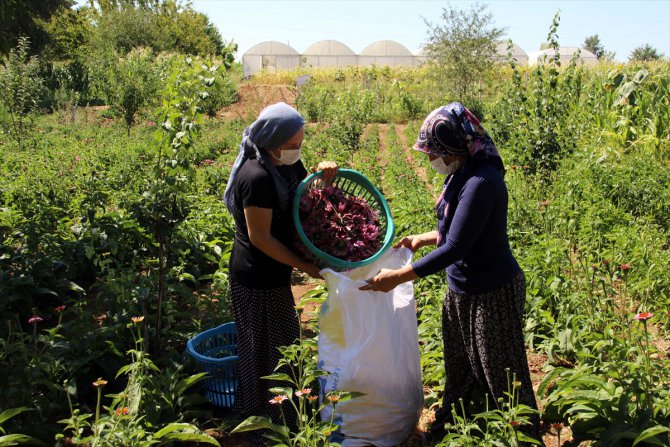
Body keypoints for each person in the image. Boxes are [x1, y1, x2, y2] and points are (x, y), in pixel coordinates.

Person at [359, 102, 542, 443]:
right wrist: (422, 238)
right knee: (459, 369)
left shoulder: (481, 181)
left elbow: (457, 247)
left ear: (454, 146)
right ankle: (447, 428)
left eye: (434, 153)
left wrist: (397, 277)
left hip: (492, 292)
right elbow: (457, 231)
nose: (431, 161)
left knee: (502, 375)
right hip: (461, 289)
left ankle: (526, 436)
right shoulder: (462, 173)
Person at [224, 102, 337, 444]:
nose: (297, 151)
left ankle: (283, 414)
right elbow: (260, 238)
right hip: (255, 277)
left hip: (275, 274)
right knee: (260, 348)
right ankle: (260, 421)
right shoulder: (255, 176)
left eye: (300, 144)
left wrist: (322, 171)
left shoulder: (287, 165)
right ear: (273, 143)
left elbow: (304, 194)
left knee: (283, 345)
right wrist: (305, 267)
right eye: (293, 145)